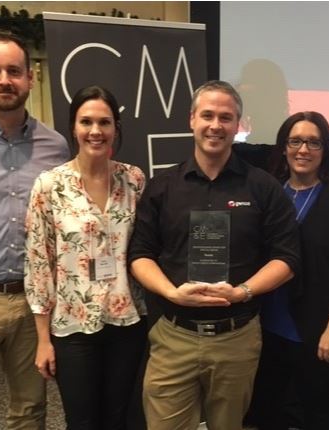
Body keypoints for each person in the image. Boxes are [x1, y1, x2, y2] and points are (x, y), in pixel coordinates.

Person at [127, 80, 300, 430]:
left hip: (236, 338)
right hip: (174, 335)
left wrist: (243, 292)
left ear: (239, 125)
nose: (215, 125)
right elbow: (139, 254)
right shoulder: (162, 186)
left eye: (226, 117)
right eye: (207, 115)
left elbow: (287, 258)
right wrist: (170, 292)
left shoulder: (263, 187)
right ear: (192, 119)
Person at [24, 85, 147, 429]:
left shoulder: (134, 180)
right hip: (73, 327)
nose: (96, 131)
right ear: (73, 127)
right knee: (82, 420)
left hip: (127, 322)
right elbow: (38, 264)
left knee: (120, 417)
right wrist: (43, 340)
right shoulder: (49, 185)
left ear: (116, 128)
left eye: (104, 122)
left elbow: (146, 249)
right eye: (86, 122)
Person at [247, 111, 329, 430]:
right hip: (267, 328)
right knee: (266, 412)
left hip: (318, 329)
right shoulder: (268, 193)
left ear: (325, 150)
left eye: (313, 142)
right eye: (295, 141)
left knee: (318, 414)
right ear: (284, 147)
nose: (303, 149)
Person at [0, 28, 69, 429]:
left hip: (36, 304)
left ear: (30, 77)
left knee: (30, 409)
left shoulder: (57, 146)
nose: (4, 80)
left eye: (13, 71)